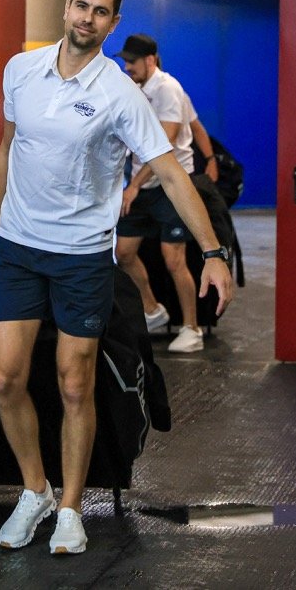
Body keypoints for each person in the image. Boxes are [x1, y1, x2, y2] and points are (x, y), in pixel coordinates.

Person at [0, 0, 234, 556]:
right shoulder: (21, 70)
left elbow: (170, 171)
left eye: (100, 12)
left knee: (75, 384)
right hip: (18, 247)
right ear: (66, 7)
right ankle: (35, 491)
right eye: (81, 6)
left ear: (112, 24)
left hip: (81, 254)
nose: (87, 18)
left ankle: (71, 507)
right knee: (4, 378)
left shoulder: (121, 94)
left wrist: (214, 252)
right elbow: (8, 147)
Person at [113, 34, 209, 353]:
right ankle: (152, 310)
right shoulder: (133, 89)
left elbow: (162, 147)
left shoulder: (168, 89)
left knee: (174, 259)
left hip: (171, 184)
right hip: (142, 184)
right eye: (125, 61)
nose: (127, 67)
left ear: (150, 60)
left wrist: (134, 185)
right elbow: (194, 125)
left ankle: (192, 329)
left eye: (132, 62)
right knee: (124, 253)